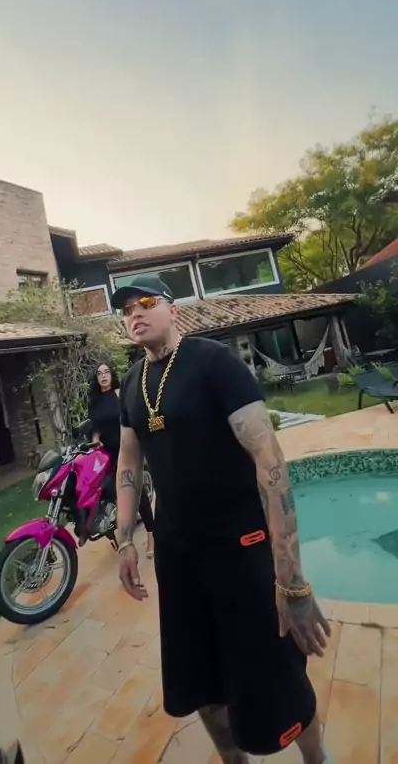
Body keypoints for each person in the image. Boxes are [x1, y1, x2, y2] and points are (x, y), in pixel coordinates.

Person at [112, 276, 333, 764]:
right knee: (202, 682)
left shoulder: (215, 364)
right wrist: (124, 538)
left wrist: (292, 582)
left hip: (240, 549)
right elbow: (129, 462)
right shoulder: (130, 384)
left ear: (173, 309)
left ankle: (317, 759)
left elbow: (270, 465)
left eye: (145, 302)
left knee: (276, 675)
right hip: (178, 558)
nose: (135, 313)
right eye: (125, 309)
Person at [88, 361, 155, 558]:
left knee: (135, 491)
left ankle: (151, 533)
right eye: (99, 373)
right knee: (110, 492)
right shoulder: (94, 402)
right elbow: (95, 426)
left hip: (125, 450)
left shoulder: (119, 394)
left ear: (112, 375)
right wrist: (95, 440)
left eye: (106, 372)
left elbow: (131, 419)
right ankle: (118, 532)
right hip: (106, 454)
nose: (103, 375)